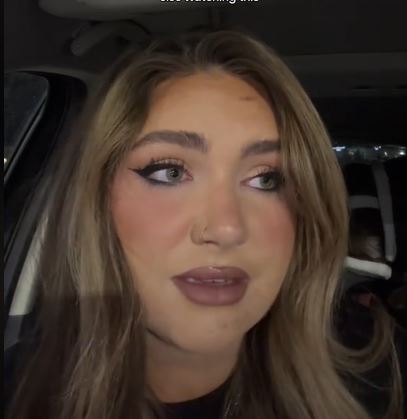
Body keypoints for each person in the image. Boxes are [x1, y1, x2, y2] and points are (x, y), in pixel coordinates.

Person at [5, 30, 405, 419]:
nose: (227, 229)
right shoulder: (17, 389)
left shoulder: (378, 366)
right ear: (96, 200)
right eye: (170, 172)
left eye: (267, 179)